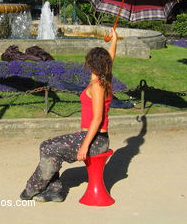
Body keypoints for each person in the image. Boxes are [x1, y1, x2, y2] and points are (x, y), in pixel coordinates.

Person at [20, 28, 118, 202]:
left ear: (90, 64)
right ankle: (53, 190)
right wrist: (114, 40)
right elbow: (111, 57)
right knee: (49, 146)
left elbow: (97, 119)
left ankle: (33, 189)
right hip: (98, 138)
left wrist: (84, 147)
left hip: (94, 140)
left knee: (48, 148)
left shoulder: (97, 86)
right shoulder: (104, 78)